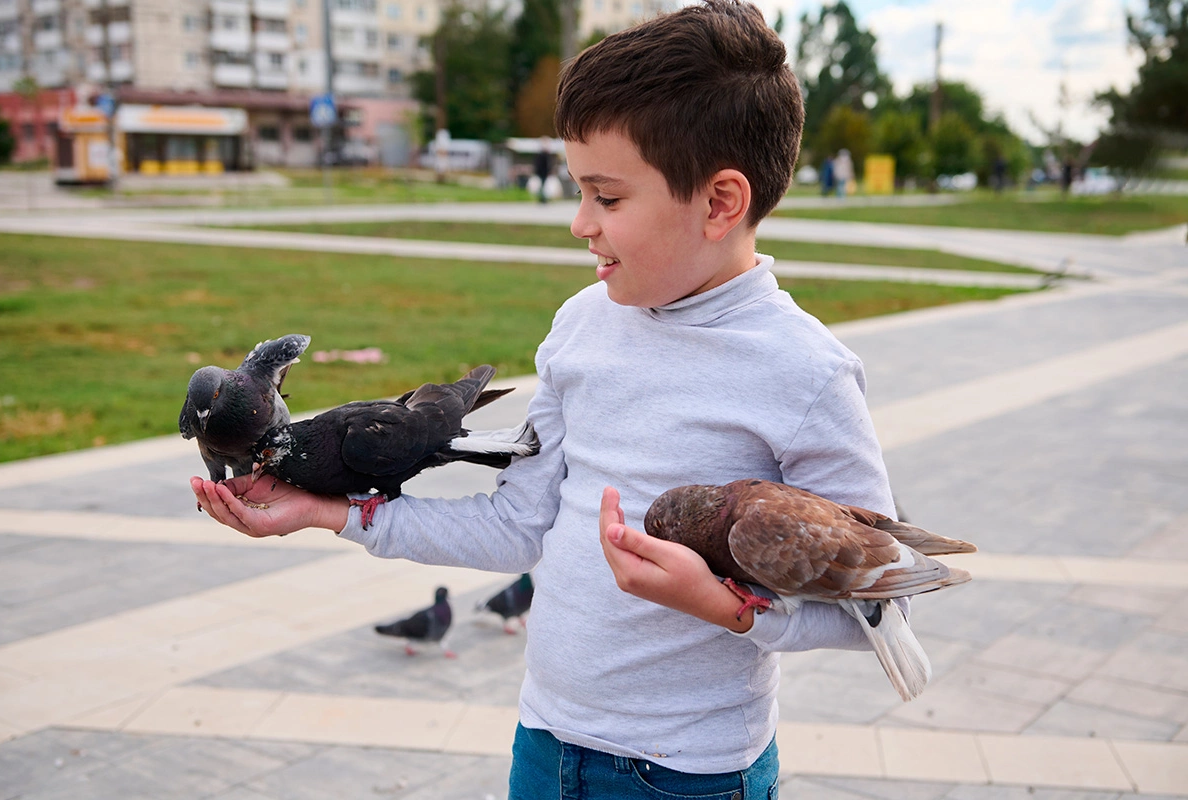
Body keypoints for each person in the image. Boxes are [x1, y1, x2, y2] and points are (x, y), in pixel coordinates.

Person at [192, 1, 897, 795]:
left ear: (719, 202)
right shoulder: (582, 326)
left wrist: (731, 608)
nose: (578, 224)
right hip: (545, 742)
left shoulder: (806, 372)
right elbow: (516, 526)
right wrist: (325, 511)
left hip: (687, 773)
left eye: (608, 197)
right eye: (579, 192)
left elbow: (872, 609)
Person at [532, 136, 553, 203]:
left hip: (542, 172)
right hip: (542, 172)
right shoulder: (543, 155)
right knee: (542, 186)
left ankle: (542, 198)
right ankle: (542, 198)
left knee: (542, 185)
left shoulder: (542, 154)